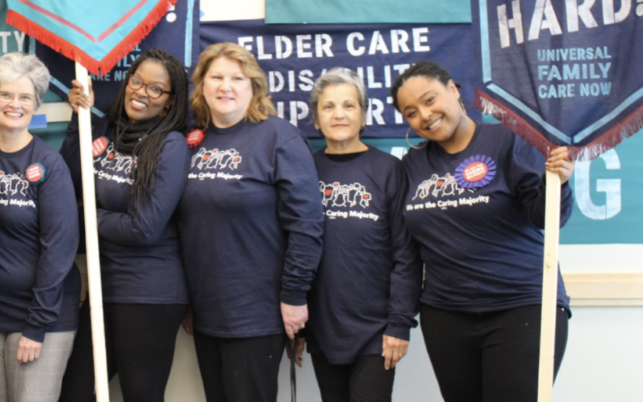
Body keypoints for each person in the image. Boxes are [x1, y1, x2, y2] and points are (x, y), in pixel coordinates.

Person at [390, 60, 575, 402]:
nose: (424, 115)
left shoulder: (509, 139)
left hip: (521, 307)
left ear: (454, 90)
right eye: (411, 112)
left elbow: (546, 218)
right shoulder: (410, 167)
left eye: (430, 100)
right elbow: (408, 253)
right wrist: (399, 319)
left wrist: (559, 182)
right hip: (446, 316)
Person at [178, 42, 323, 402]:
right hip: (206, 311)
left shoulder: (278, 136)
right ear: (202, 85)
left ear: (253, 86)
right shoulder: (191, 142)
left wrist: (294, 295)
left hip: (257, 312)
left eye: (237, 78)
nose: (225, 86)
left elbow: (306, 225)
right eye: (216, 77)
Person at [58, 48, 191, 402]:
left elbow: (144, 229)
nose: (141, 92)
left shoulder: (171, 146)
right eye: (137, 81)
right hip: (103, 287)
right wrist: (78, 120)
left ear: (169, 102)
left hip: (150, 292)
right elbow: (66, 183)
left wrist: (87, 216)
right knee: (75, 393)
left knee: (140, 395)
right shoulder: (107, 131)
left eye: (156, 89)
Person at [0, 53, 81, 402]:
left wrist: (37, 323)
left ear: (36, 104)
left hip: (40, 315)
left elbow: (59, 250)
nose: (14, 104)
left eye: (25, 97)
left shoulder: (49, 164)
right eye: (6, 94)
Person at [306, 68, 421, 402]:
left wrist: (400, 323)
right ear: (315, 119)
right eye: (328, 107)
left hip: (377, 329)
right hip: (322, 326)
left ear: (364, 115)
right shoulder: (303, 169)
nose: (339, 114)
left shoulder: (389, 169)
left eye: (349, 105)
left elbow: (406, 254)